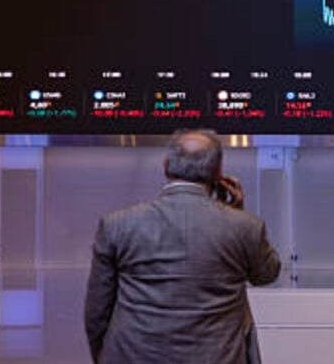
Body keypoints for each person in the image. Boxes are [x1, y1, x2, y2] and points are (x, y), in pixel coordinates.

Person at [84, 129, 281, 364]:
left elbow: (97, 313)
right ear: (218, 172)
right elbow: (266, 274)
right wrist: (236, 214)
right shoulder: (245, 226)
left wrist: (103, 357)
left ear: (166, 165)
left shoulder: (117, 225)